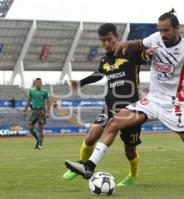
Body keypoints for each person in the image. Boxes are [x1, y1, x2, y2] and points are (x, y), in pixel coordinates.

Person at [65, 10, 184, 192]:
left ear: (176, 28)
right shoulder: (155, 38)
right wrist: (124, 44)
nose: (163, 34)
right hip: (151, 100)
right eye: (160, 30)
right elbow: (138, 44)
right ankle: (89, 166)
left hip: (172, 104)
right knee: (113, 123)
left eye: (166, 30)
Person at [62, 23, 153, 187]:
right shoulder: (105, 59)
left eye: (109, 39)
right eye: (102, 40)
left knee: (130, 151)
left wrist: (147, 53)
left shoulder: (130, 51)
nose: (106, 43)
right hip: (110, 107)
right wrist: (80, 83)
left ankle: (133, 175)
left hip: (131, 110)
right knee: (91, 137)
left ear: (116, 36)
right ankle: (81, 166)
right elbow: (98, 74)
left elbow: (145, 56)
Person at [23, 78, 50, 149]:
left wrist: (47, 112)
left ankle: (40, 145)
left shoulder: (45, 91)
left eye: (40, 83)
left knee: (41, 128)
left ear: (41, 83)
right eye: (37, 83)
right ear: (35, 83)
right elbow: (28, 101)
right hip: (33, 111)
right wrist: (25, 110)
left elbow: (48, 102)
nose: (39, 84)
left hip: (41, 111)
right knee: (30, 128)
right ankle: (38, 139)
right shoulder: (31, 91)